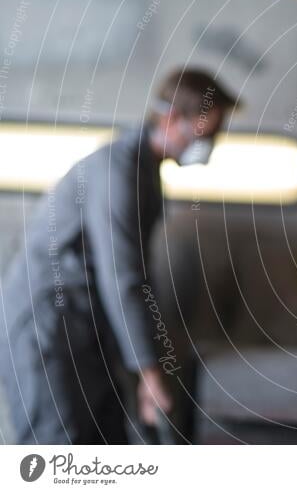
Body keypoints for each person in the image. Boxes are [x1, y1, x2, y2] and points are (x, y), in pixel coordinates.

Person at [0, 68, 236, 444]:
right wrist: (149, 373)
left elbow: (139, 279)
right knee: (58, 452)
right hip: (46, 328)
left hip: (87, 328)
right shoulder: (117, 171)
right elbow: (122, 277)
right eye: (205, 132)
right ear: (173, 118)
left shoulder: (146, 172)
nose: (210, 142)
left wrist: (148, 366)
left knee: (106, 445)